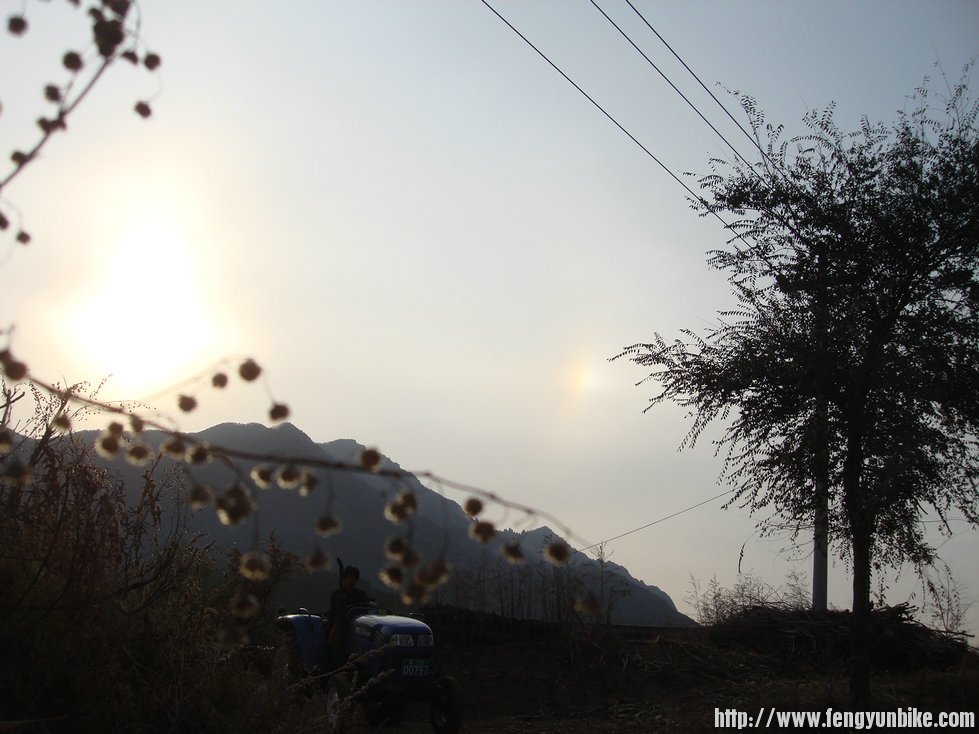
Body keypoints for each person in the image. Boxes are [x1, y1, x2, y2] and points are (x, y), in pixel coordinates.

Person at [326, 561, 372, 667]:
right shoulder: (337, 595)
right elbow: (336, 615)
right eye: (349, 577)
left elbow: (369, 602)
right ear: (344, 578)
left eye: (355, 577)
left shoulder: (360, 594)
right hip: (339, 627)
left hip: (357, 627)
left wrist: (372, 603)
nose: (352, 580)